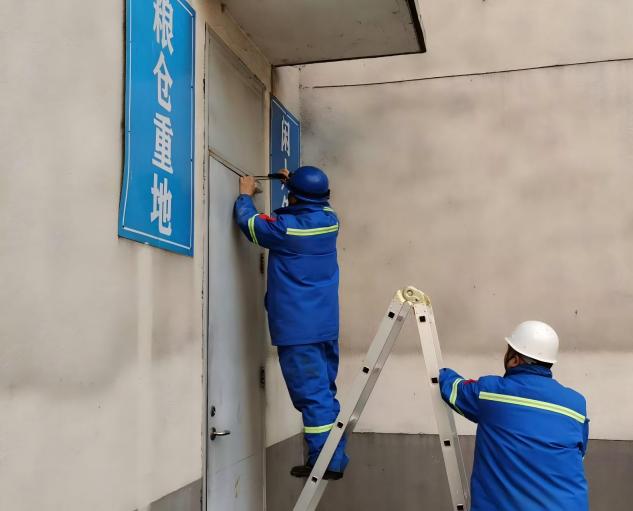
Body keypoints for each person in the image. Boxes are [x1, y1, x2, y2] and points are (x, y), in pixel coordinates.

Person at [234, 166, 348, 480]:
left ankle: (324, 463)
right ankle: (334, 456)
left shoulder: (285, 230)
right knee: (324, 393)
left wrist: (245, 195)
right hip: (324, 326)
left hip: (298, 330)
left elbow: (251, 224)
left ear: (295, 197)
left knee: (311, 396)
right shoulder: (330, 221)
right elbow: (311, 206)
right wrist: (293, 183)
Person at [439, 321, 589, 511]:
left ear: (515, 359)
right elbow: (578, 454)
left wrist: (441, 372)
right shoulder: (576, 405)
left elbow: (453, 389)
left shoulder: (491, 393)